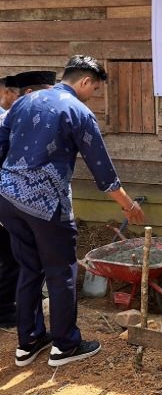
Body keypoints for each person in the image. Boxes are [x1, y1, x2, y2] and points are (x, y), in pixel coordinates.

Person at [0, 55, 145, 368]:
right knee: (62, 270)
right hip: (46, 204)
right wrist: (128, 205)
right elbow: (102, 170)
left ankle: (28, 342)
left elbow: (1, 145)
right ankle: (65, 345)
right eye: (95, 89)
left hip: (8, 199)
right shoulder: (78, 111)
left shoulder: (23, 102)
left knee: (29, 268)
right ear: (85, 81)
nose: (92, 95)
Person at [0, 71, 57, 329]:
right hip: (9, 200)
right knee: (13, 258)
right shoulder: (7, 121)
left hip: (16, 200)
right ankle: (5, 310)